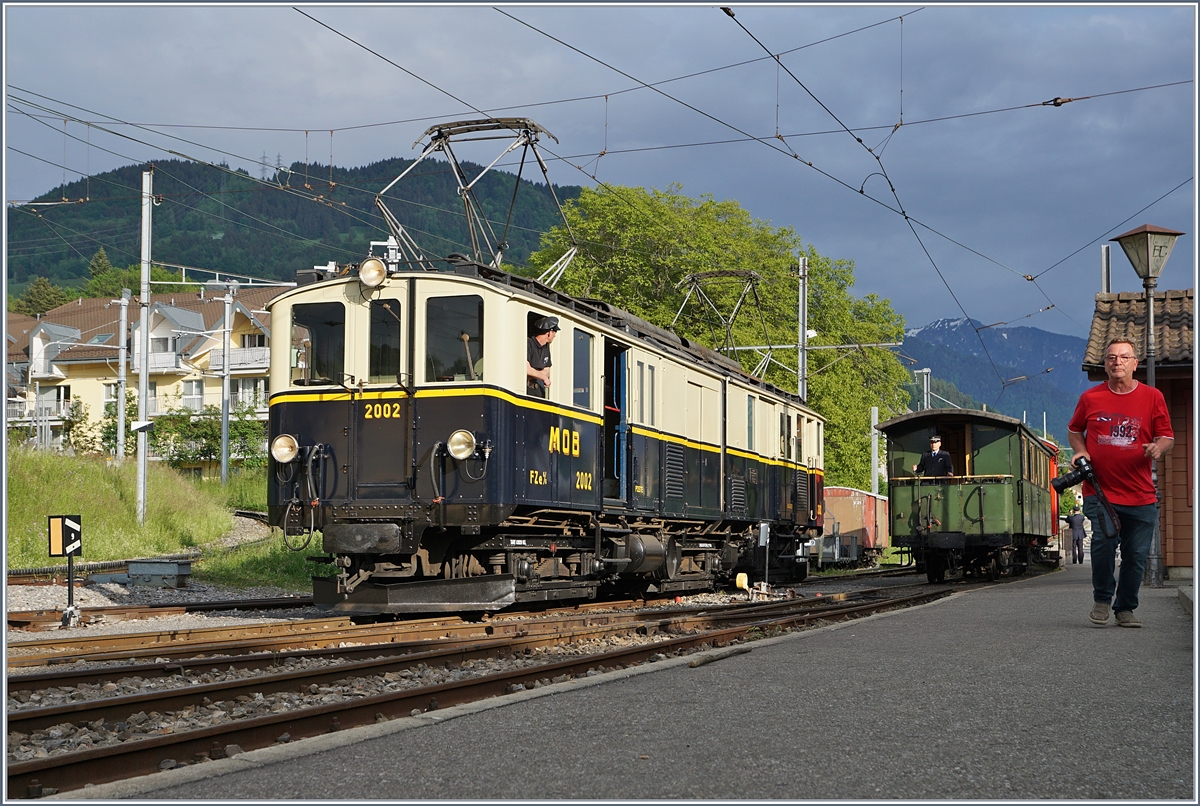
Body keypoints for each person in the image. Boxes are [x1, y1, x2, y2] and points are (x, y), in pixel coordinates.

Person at [1068, 338, 1173, 628]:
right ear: (1106, 364)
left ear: (1134, 363)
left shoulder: (1153, 397)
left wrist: (1158, 448)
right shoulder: (1091, 398)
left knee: (1136, 555)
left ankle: (1125, 608)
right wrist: (1080, 450)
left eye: (1124, 357)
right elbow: (1075, 429)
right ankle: (1102, 600)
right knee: (1103, 543)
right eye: (1112, 357)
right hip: (1100, 491)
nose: (1118, 362)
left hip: (1140, 495)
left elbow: (1167, 436)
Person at [526, 316, 559, 398]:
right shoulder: (528, 343)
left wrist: (534, 375)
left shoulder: (546, 347)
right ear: (549, 333)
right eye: (555, 332)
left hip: (536, 389)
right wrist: (543, 378)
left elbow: (547, 370)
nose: (555, 336)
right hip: (526, 389)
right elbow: (526, 369)